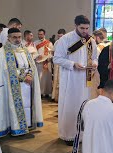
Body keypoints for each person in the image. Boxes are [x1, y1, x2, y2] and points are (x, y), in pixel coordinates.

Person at [53, 15, 98, 145]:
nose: (85, 31)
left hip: (86, 80)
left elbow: (95, 57)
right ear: (76, 26)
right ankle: (69, 134)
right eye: (82, 28)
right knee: (71, 106)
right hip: (71, 79)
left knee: (84, 106)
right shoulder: (66, 39)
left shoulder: (91, 41)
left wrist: (94, 63)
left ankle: (83, 135)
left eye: (87, 28)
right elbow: (57, 59)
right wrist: (73, 64)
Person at [0, 28, 43, 137]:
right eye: (14, 37)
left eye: (19, 37)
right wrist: (23, 77)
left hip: (28, 84)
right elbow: (6, 70)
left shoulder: (24, 49)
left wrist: (30, 75)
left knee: (28, 105)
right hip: (14, 85)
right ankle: (17, 128)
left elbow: (31, 65)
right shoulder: (4, 51)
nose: (17, 39)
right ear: (8, 38)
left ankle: (27, 126)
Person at [35, 28, 54, 98]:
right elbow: (34, 52)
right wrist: (37, 56)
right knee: (39, 78)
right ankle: (39, 92)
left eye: (41, 34)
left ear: (44, 34)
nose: (40, 35)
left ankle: (47, 92)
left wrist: (47, 57)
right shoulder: (35, 43)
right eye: (39, 34)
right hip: (39, 63)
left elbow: (51, 52)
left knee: (47, 78)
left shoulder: (49, 43)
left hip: (47, 62)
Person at [51, 28, 66, 102]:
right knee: (56, 80)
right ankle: (56, 97)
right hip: (57, 65)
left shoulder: (67, 42)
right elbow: (53, 52)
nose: (60, 38)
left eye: (61, 36)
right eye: (59, 36)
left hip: (64, 64)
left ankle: (63, 97)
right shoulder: (56, 42)